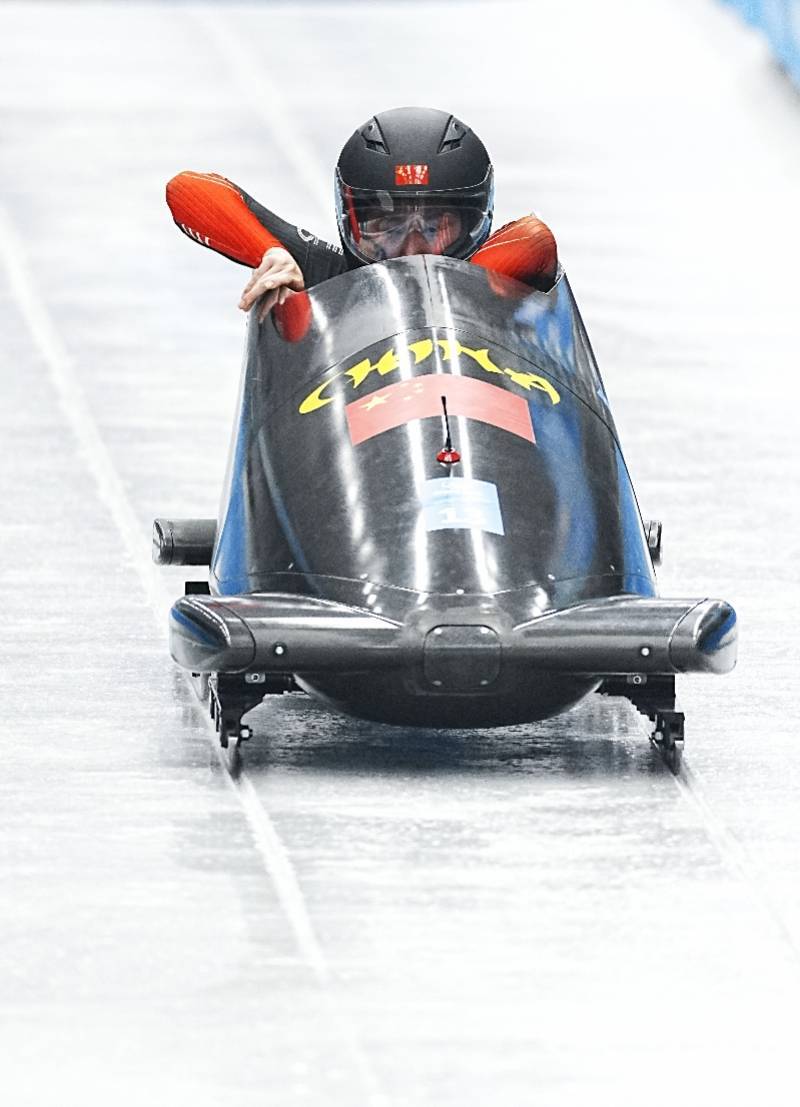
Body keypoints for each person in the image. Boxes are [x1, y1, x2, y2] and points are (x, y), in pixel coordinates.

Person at [165, 106, 559, 317]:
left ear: (474, 224)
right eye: (389, 224)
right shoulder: (327, 274)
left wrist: (464, 284)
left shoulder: (505, 270)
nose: (413, 248)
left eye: (436, 225)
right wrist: (269, 251)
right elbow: (188, 189)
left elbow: (535, 240)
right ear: (353, 221)